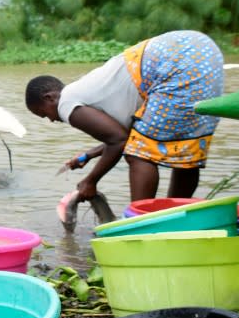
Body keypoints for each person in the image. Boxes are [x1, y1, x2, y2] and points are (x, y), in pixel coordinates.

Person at [25, 30, 224, 203]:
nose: (51, 120)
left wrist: (90, 181)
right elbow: (126, 135)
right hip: (202, 52)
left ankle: (139, 226)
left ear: (49, 97)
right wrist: (88, 156)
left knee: (138, 155)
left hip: (173, 62)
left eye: (44, 114)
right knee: (185, 150)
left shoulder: (66, 103)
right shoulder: (87, 88)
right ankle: (175, 215)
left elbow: (119, 141)